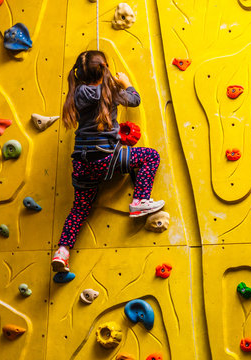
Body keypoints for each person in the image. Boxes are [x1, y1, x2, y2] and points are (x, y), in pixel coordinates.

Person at [51, 50, 164, 272]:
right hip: (107, 158)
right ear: (105, 69)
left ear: (79, 73)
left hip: (82, 164)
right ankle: (140, 200)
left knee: (79, 209)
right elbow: (135, 99)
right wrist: (126, 83)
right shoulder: (110, 92)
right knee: (151, 157)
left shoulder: (76, 92)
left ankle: (62, 251)